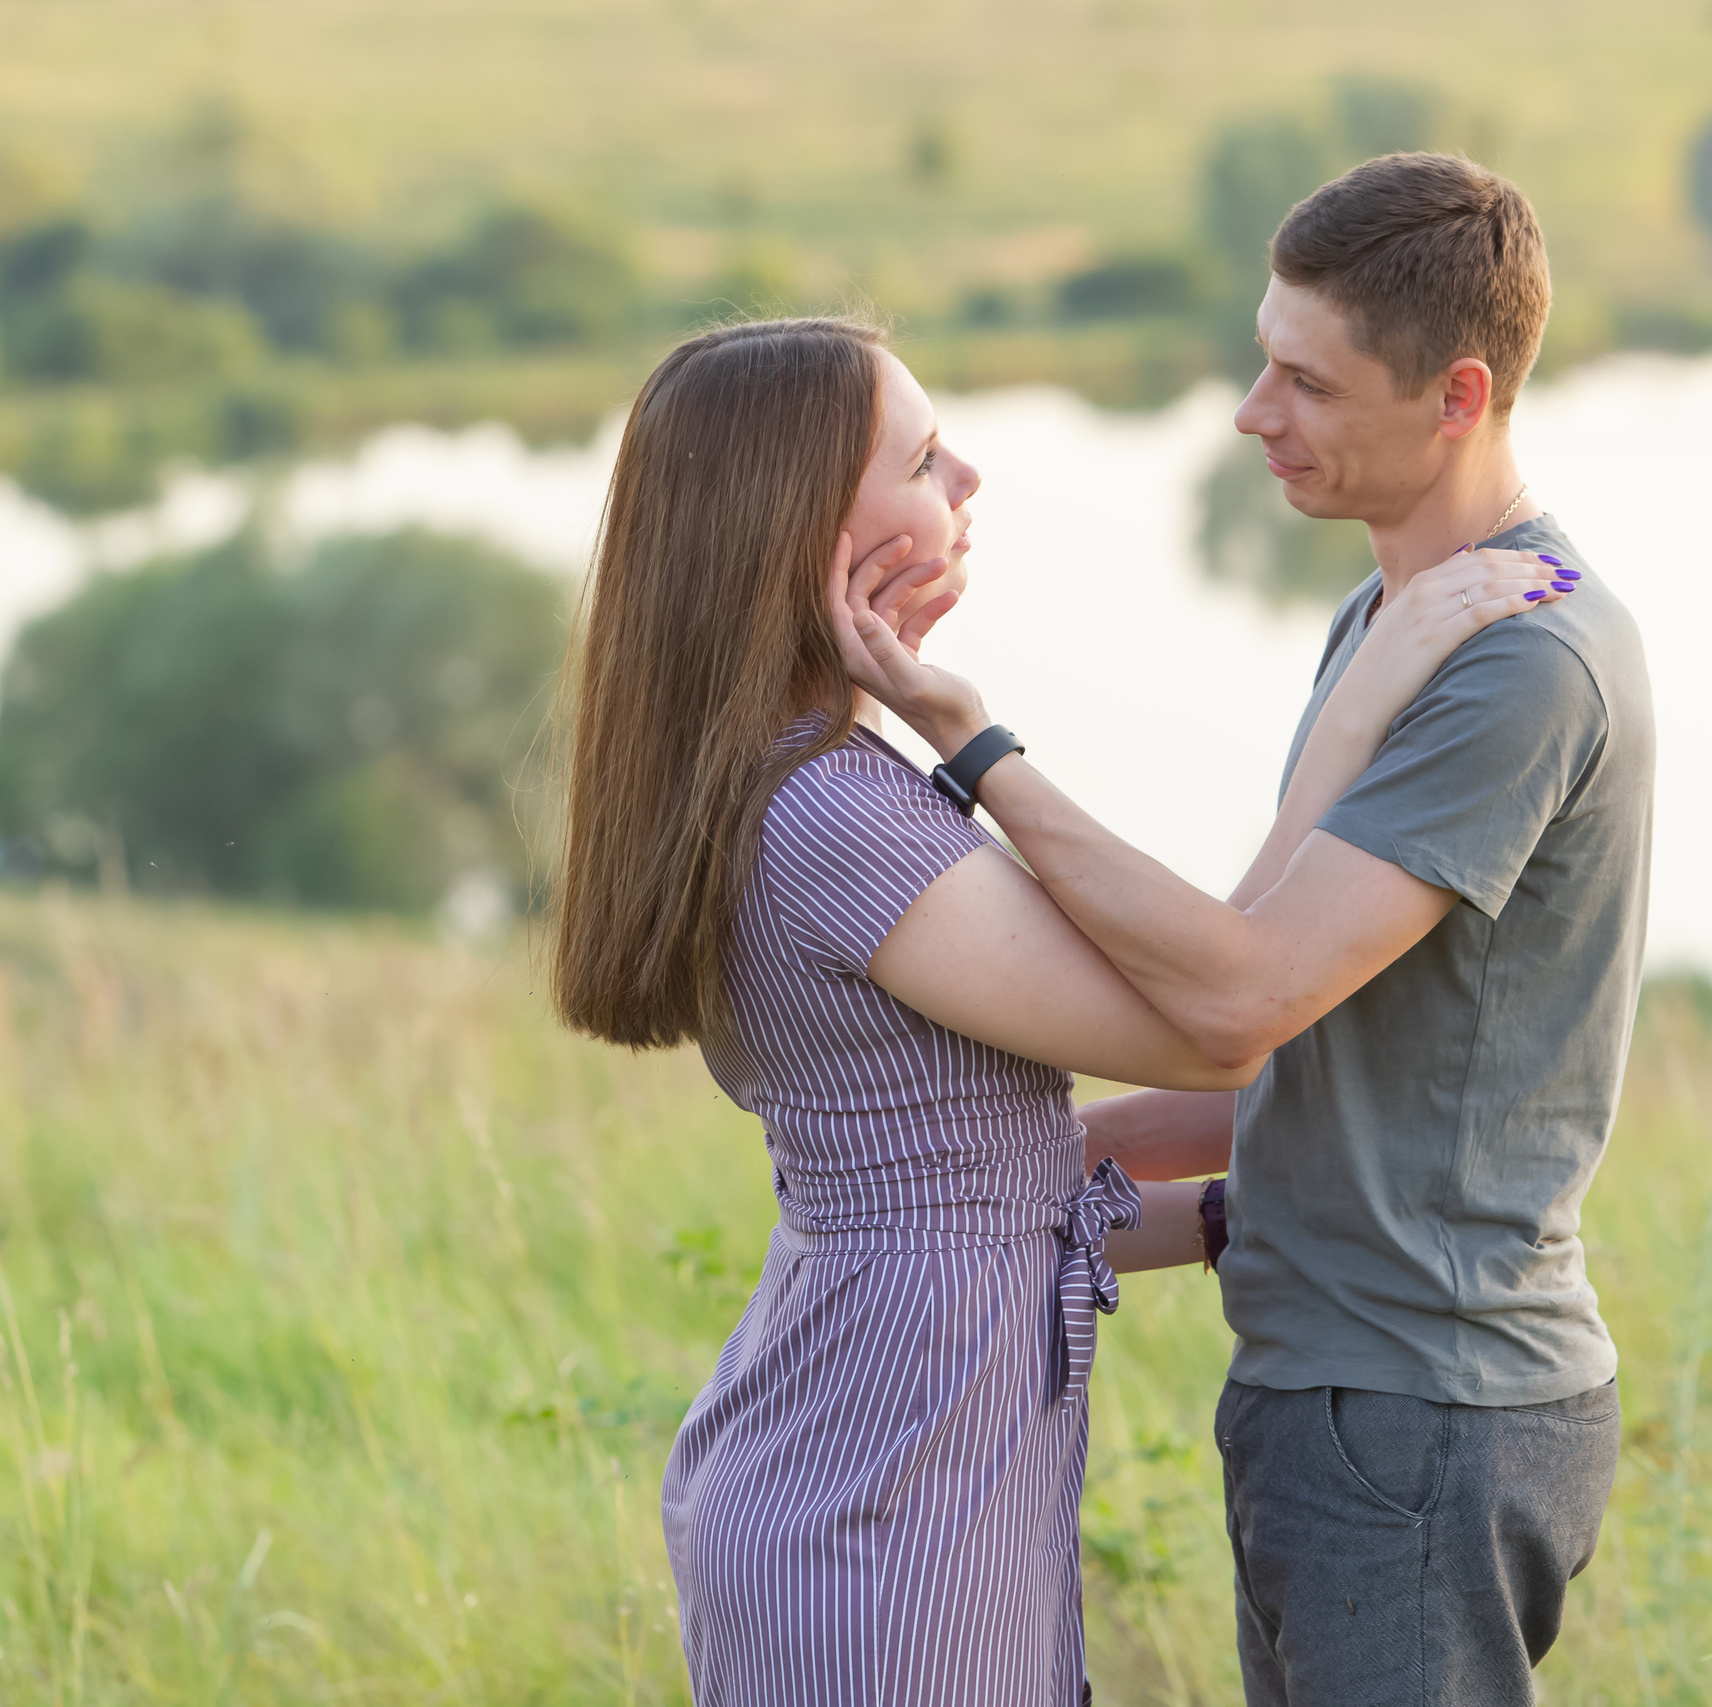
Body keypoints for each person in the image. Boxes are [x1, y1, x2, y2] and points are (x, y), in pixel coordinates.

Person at [546, 313, 1565, 1705]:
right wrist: (1362, 708)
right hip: (883, 1502)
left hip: (892, 1455)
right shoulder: (840, 817)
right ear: (803, 529)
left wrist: (1264, 1213)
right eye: (923, 457)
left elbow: (982, 1194)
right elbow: (1213, 1012)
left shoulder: (810, 782)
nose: (968, 482)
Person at [836, 152, 1654, 1706]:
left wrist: (977, 748)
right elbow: (1328, 1056)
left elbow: (1246, 994)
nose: (1251, 413)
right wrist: (1037, 1166)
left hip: (1418, 1405)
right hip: (1339, 1391)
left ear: (1457, 395)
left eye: (1305, 381)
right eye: (1259, 358)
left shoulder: (1514, 663)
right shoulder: (1398, 621)